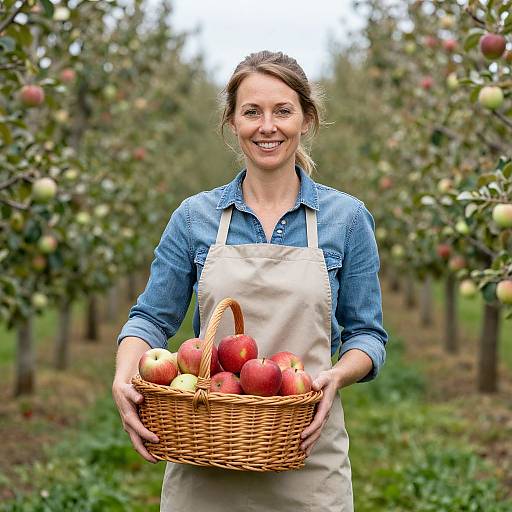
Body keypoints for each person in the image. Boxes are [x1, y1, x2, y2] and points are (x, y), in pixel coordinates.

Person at [112, 50, 388, 512]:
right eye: (252, 112)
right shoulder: (195, 217)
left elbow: (368, 334)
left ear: (306, 118)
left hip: (306, 453)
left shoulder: (346, 219)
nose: (267, 126)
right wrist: (123, 376)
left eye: (282, 111)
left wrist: (337, 376)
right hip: (206, 450)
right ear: (232, 122)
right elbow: (149, 319)